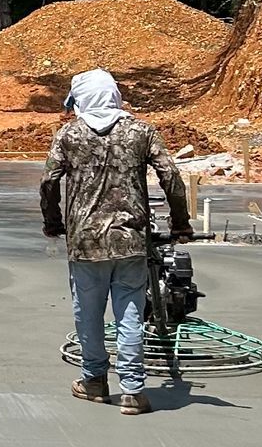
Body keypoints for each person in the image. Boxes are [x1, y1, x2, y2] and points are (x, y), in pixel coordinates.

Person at [39, 68, 191, 415]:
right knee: (130, 315)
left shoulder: (69, 135)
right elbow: (171, 175)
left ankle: (94, 381)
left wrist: (53, 222)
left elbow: (49, 182)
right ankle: (133, 391)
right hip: (131, 240)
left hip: (85, 242)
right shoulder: (141, 131)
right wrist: (180, 223)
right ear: (114, 95)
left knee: (88, 314)